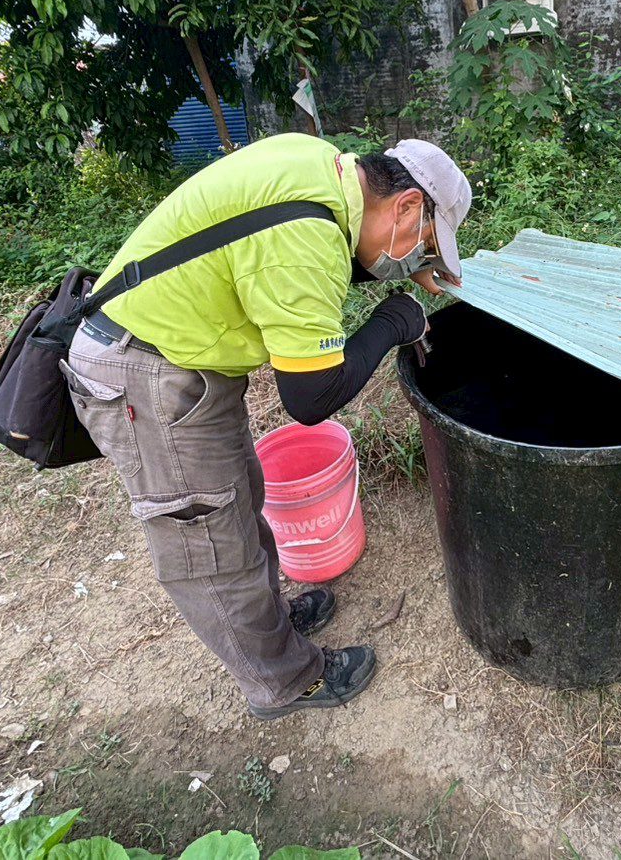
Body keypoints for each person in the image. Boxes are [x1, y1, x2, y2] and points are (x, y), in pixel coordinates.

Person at [64, 133, 472, 718]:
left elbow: (304, 254)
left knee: (237, 503)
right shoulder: (306, 242)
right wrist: (391, 321)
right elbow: (310, 397)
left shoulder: (319, 169)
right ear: (406, 205)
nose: (414, 260)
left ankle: (269, 623)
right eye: (423, 245)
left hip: (180, 356)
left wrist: (406, 268)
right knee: (210, 543)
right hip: (146, 374)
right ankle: (285, 682)